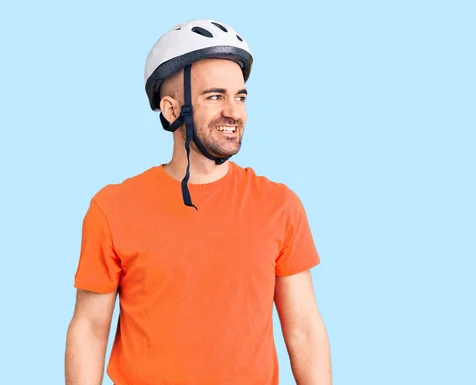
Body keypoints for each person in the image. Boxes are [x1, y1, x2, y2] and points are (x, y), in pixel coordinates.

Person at [64, 19, 331, 385]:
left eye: (240, 96)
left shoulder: (280, 205)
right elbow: (90, 329)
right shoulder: (113, 208)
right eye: (215, 96)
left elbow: (303, 328)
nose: (234, 112)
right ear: (173, 111)